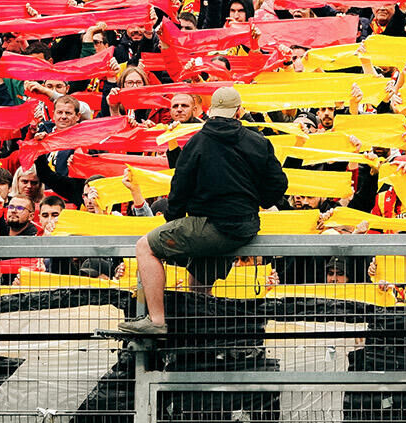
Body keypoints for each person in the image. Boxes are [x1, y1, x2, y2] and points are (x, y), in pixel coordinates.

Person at [119, 87, 289, 334]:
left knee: (145, 247)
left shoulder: (197, 142)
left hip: (210, 226)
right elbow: (277, 186)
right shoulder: (259, 142)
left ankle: (156, 321)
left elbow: (179, 188)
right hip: (244, 228)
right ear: (238, 111)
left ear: (210, 111)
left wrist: (173, 220)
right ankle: (199, 331)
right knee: (199, 282)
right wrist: (260, 200)